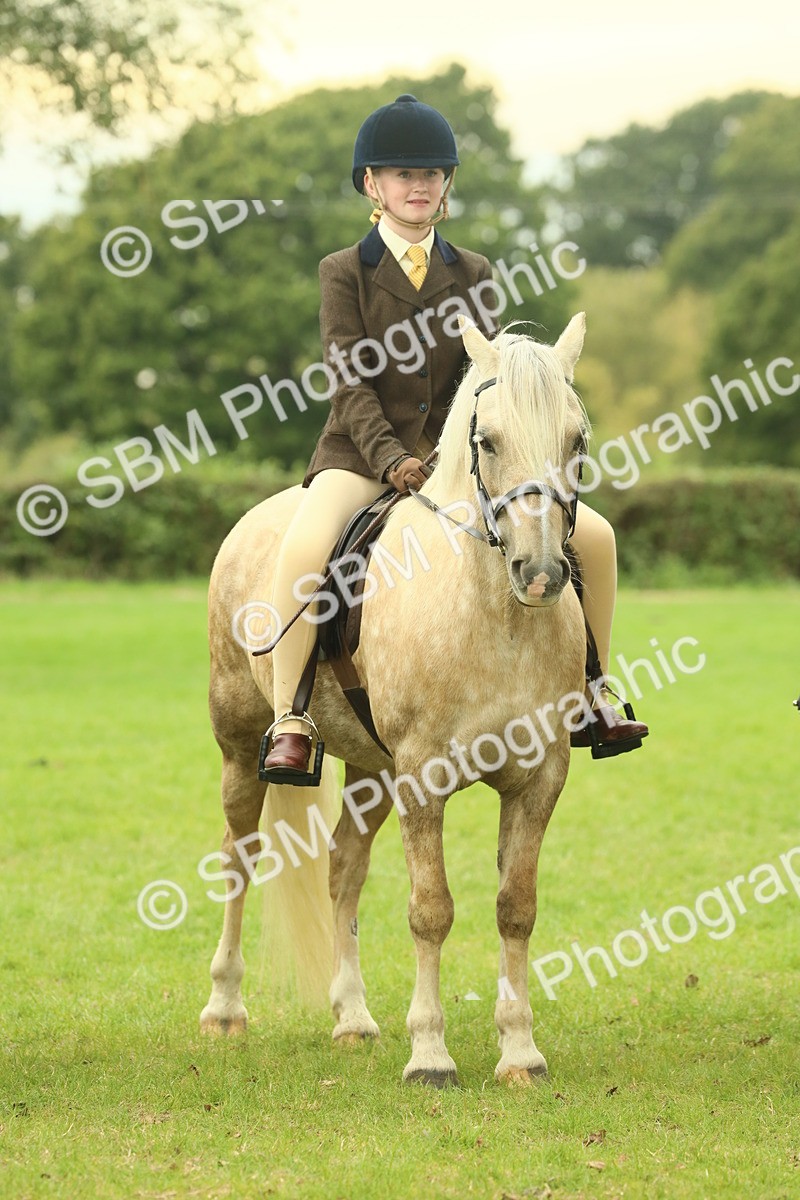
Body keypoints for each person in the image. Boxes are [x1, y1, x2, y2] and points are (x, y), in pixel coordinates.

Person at [262, 94, 648, 782]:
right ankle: (291, 716)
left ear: (447, 187)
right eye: (403, 173)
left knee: (595, 537)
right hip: (361, 454)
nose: (420, 185)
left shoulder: (474, 273)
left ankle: (593, 689)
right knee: (306, 545)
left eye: (434, 173)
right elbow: (350, 385)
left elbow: (485, 382)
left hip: (453, 463)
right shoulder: (342, 272)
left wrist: (453, 461)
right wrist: (393, 460)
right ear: (372, 186)